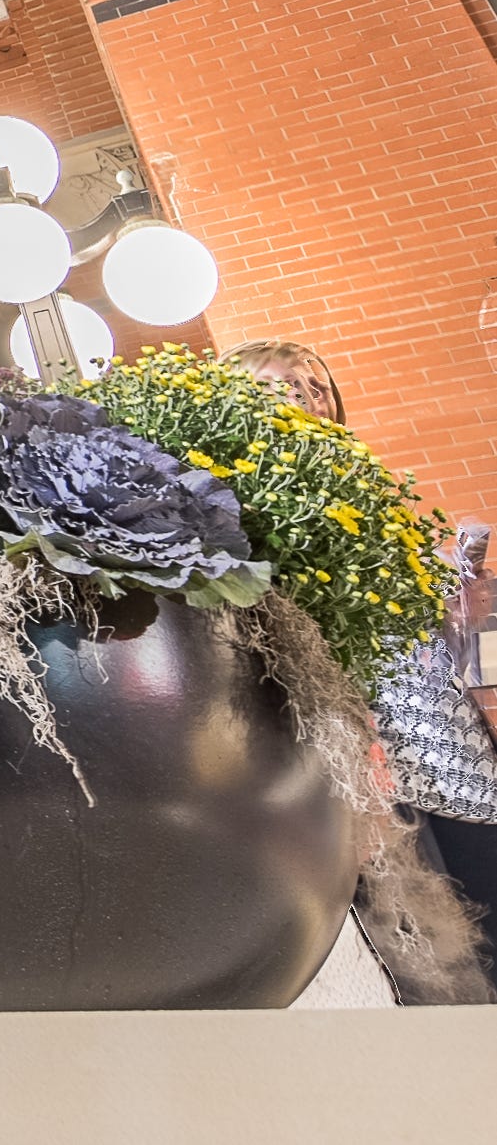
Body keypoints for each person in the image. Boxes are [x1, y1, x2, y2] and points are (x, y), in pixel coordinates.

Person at [235, 340, 497, 1000]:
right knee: (429, 950)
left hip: (448, 747)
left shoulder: (365, 497)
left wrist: (463, 607)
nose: (305, 398)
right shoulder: (249, 510)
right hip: (364, 764)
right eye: (281, 387)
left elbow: (452, 651)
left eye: (314, 385)